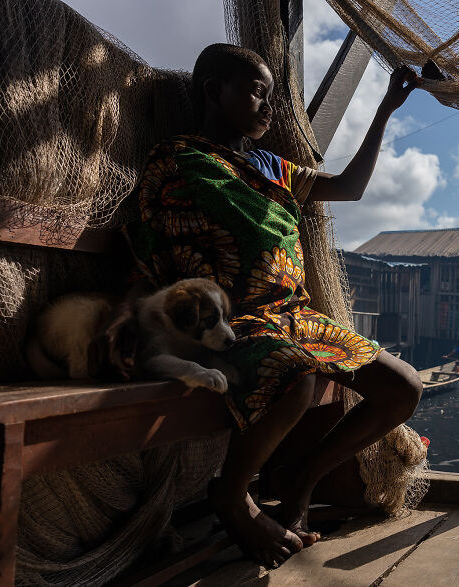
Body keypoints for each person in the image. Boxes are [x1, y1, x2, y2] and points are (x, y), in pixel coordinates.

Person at [122, 44, 422, 567]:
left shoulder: (272, 167)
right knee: (296, 377)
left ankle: (299, 480)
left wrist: (385, 111)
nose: (268, 106)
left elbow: (349, 188)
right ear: (215, 92)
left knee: (403, 389)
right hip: (229, 319)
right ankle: (233, 494)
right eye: (257, 91)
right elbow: (159, 242)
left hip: (295, 315)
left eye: (271, 95)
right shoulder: (177, 160)